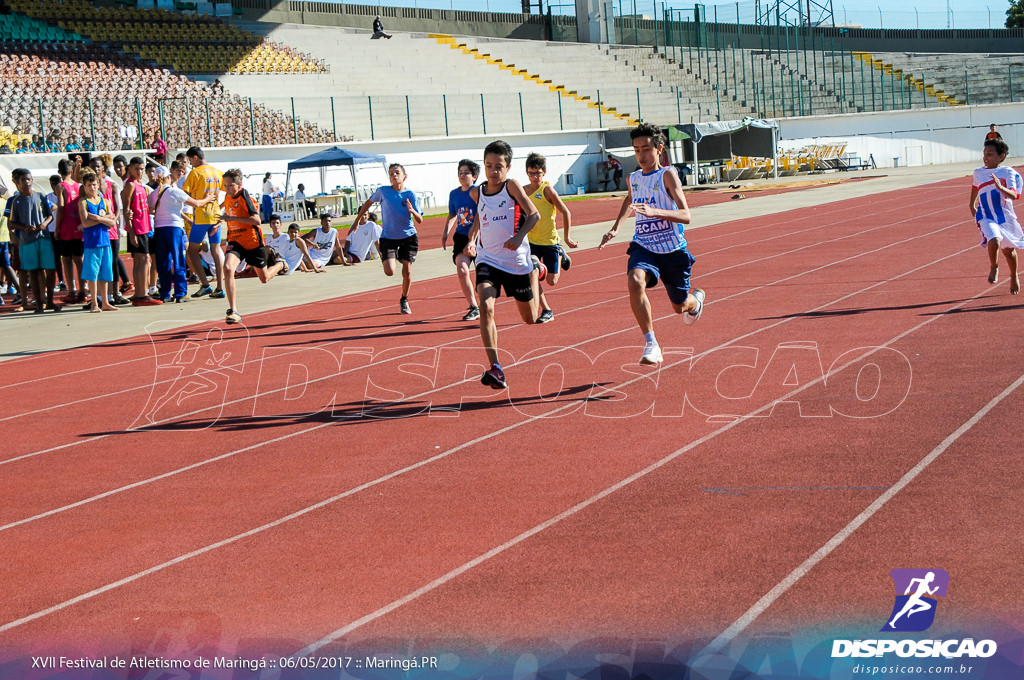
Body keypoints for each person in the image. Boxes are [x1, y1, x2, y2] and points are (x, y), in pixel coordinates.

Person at [598, 122, 705, 365]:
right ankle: (651, 343)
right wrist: (615, 228)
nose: (641, 155)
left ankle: (695, 302)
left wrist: (654, 211)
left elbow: (686, 215)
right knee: (635, 281)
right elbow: (629, 200)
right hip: (644, 246)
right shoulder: (633, 178)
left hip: (672, 250)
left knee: (679, 306)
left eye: (646, 149)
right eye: (636, 150)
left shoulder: (667, 175)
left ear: (658, 149)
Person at [463, 140, 543, 390]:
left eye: (498, 166)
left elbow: (534, 215)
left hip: (516, 261)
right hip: (488, 259)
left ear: (508, 167)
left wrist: (519, 237)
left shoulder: (511, 186)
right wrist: (473, 239)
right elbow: (479, 216)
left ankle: (536, 270)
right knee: (486, 306)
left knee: (530, 319)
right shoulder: (477, 191)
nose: (493, 171)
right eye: (488, 166)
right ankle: (496, 367)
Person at [351, 163, 423, 314]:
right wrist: (357, 221)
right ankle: (394, 256)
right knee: (389, 271)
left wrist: (412, 211)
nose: (394, 176)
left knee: (407, 272)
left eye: (397, 173)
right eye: (391, 174)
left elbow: (420, 220)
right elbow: (367, 204)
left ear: (405, 176)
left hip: (408, 236)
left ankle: (404, 299)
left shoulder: (410, 195)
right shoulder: (383, 191)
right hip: (389, 237)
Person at [220, 168, 286, 324]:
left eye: (230, 185)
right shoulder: (227, 196)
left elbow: (256, 220)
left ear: (239, 184)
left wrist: (231, 218)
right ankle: (233, 310)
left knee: (264, 278)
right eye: (225, 186)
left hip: (252, 243)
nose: (227, 189)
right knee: (228, 268)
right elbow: (224, 207)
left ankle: (279, 264)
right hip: (235, 242)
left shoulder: (245, 197)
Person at [149, 165, 217, 302]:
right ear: (169, 176)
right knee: (179, 259)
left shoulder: (152, 194)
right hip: (174, 227)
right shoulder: (174, 192)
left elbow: (151, 210)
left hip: (159, 229)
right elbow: (196, 204)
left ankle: (165, 293)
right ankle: (180, 293)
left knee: (163, 262)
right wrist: (208, 199)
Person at [524, 152, 577, 324]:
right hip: (531, 241)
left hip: (550, 241)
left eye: (538, 173)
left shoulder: (547, 190)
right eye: (531, 173)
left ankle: (561, 253)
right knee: (531, 274)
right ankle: (546, 310)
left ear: (544, 173)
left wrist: (567, 237)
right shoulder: (523, 191)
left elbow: (566, 212)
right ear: (527, 172)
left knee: (552, 281)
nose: (534, 177)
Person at [970, 137, 1024, 294]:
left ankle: (1014, 276)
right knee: (994, 240)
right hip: (986, 215)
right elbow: (975, 187)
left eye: (990, 154)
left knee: (1008, 251)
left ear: (1002, 156)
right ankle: (994, 266)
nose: (986, 157)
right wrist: (971, 204)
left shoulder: (1007, 172)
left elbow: (1015, 195)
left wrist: (1000, 187)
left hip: (1005, 217)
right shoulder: (978, 172)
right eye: (984, 153)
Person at [8, 168, 60, 313]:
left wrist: (44, 224)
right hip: (27, 241)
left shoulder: (41, 196)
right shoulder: (16, 201)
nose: (27, 182)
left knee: (50, 270)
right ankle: (38, 303)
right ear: (18, 183)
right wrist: (24, 228)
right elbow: (11, 223)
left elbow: (50, 214)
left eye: (29, 179)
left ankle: (49, 301)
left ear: (32, 180)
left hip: (43, 238)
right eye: (23, 180)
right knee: (34, 272)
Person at [182, 146, 225, 297]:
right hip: (216, 215)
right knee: (216, 249)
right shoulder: (217, 172)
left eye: (190, 160)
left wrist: (198, 203)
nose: (190, 164)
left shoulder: (195, 173)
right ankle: (220, 286)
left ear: (194, 157)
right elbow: (230, 191)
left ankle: (205, 284)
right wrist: (220, 207)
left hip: (201, 216)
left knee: (192, 250)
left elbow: (184, 195)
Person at [442, 159, 481, 321]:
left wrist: (474, 238)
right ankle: (473, 306)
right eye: (460, 173)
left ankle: (485, 301)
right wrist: (445, 232)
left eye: (466, 173)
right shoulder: (454, 194)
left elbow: (482, 214)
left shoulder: (478, 192)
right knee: (462, 269)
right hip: (461, 237)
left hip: (480, 237)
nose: (462, 176)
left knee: (483, 278)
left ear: (474, 176)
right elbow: (453, 214)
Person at [76, 168, 118, 313]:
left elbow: (113, 223)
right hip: (92, 242)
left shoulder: (105, 201)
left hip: (105, 241)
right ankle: (94, 302)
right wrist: (104, 220)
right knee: (92, 274)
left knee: (105, 273)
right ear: (84, 186)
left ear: (98, 185)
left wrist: (98, 218)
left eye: (94, 184)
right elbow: (85, 223)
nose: (92, 187)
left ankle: (105, 301)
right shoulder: (83, 202)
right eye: (89, 185)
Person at [121, 156, 162, 307]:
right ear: (130, 169)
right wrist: (131, 232)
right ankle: (141, 294)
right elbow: (126, 209)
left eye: (141, 169)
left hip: (145, 226)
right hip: (137, 228)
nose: (139, 172)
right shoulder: (130, 185)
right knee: (142, 260)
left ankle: (140, 294)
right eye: (136, 169)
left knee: (142, 260)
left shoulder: (140, 185)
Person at [55, 156, 86, 303]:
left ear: (60, 172)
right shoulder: (78, 185)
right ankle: (83, 289)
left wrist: (56, 227)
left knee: (67, 259)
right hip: (78, 225)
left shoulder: (61, 186)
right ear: (71, 170)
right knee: (79, 259)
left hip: (66, 226)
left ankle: (72, 290)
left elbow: (60, 208)